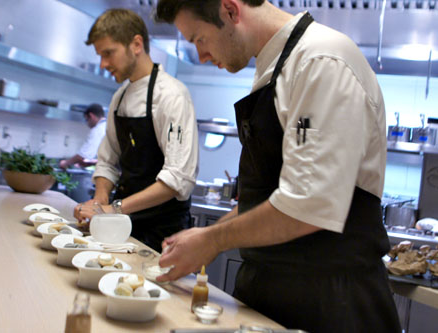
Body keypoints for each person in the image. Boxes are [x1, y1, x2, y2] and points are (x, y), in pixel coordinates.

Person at [155, 1, 401, 332]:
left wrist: (213, 241)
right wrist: (205, 235)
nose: (201, 55)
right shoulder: (275, 67)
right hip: (273, 289)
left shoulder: (320, 60)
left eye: (199, 38)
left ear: (230, 10)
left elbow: (308, 203)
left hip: (331, 302)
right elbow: (273, 196)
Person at [74, 8, 199, 253]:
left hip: (164, 233)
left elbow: (177, 179)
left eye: (108, 53)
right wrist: (99, 201)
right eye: (100, 55)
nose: (103, 64)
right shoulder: (119, 98)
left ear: (136, 44)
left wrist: (114, 208)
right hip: (123, 226)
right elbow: (107, 161)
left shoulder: (172, 95)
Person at [59, 103, 106, 169]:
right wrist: (91, 163)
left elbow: (83, 155)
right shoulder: (107, 126)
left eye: (87, 120)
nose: (87, 124)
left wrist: (65, 163)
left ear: (91, 116)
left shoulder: (98, 129)